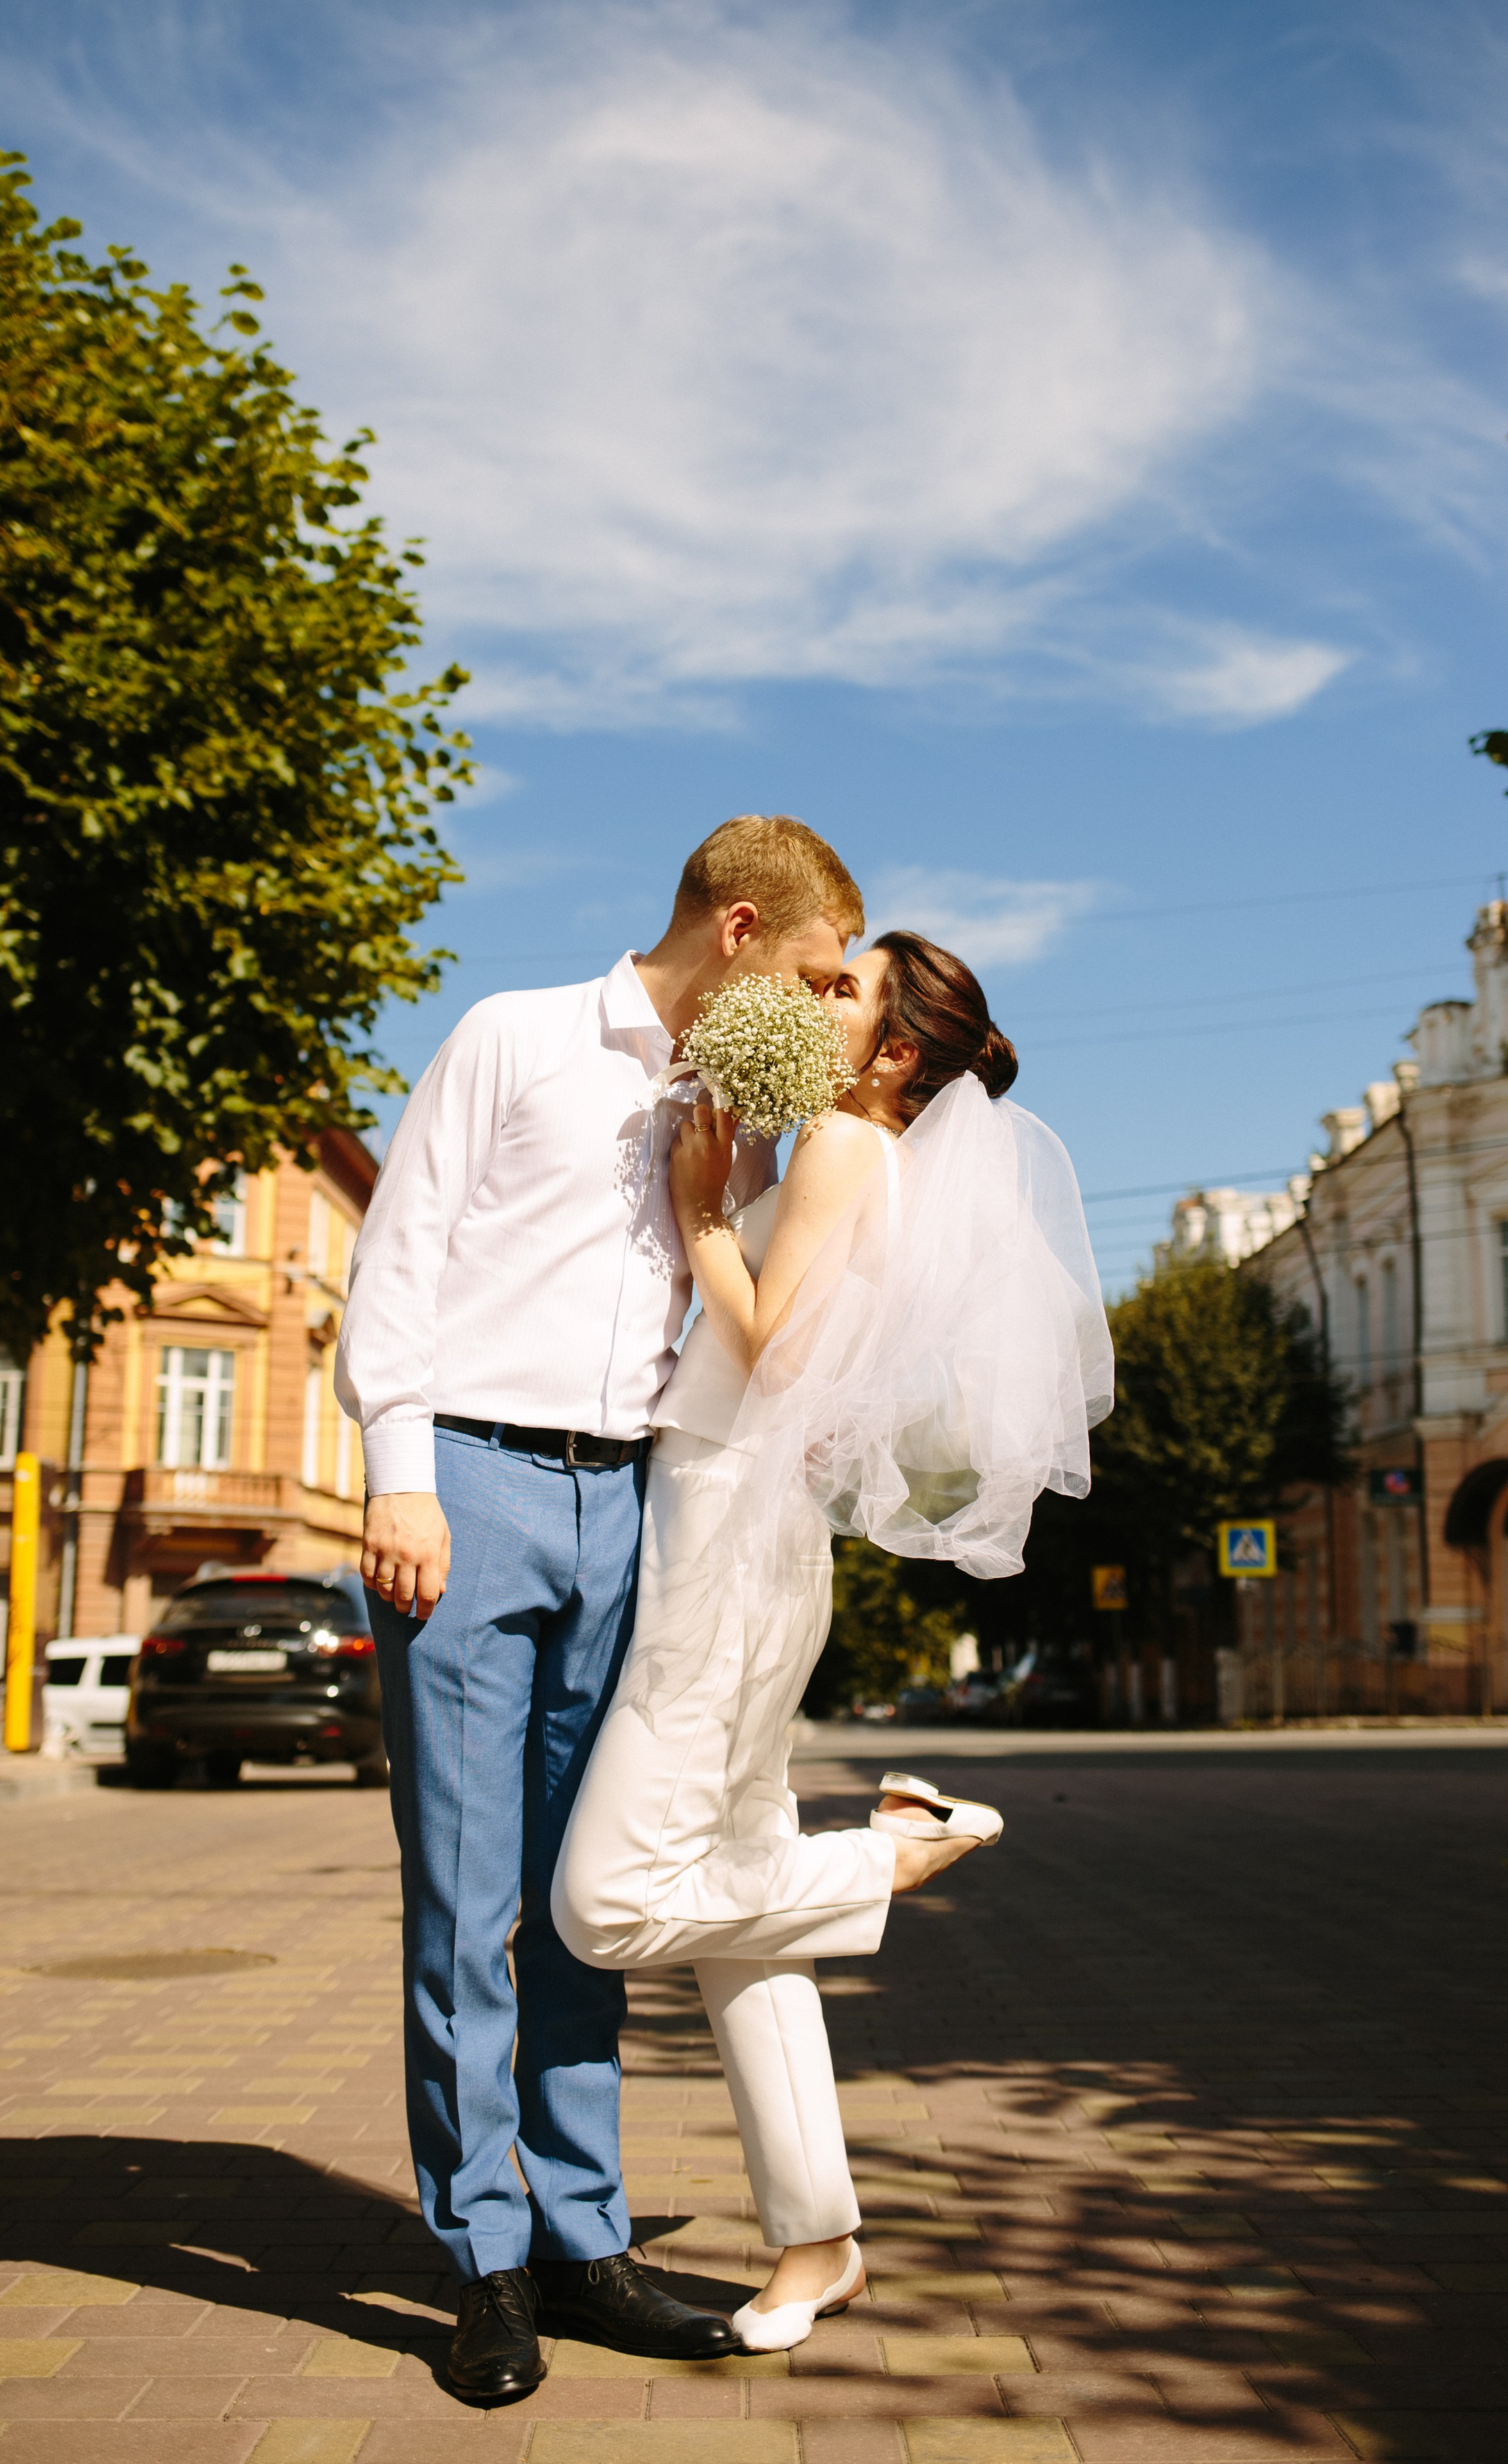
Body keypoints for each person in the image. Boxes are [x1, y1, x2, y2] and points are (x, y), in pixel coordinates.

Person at [335, 815, 865, 2404]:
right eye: (822, 968)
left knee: (583, 1899)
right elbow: (399, 1257)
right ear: (744, 927)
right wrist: (396, 1472)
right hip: (472, 1488)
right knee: (463, 1897)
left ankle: (582, 2242)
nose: (832, 1000)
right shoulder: (514, 1040)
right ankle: (484, 2261)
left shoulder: (742, 1099)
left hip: (628, 1505)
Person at [554, 930, 1113, 2350]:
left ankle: (893, 1847)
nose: (818, 995)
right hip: (748, 1536)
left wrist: (697, 1216)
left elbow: (778, 1350)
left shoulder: (846, 1149)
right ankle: (817, 2245)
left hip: (726, 1549)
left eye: (845, 988)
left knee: (601, 1906)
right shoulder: (857, 1150)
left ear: (898, 1050)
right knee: (744, 1920)